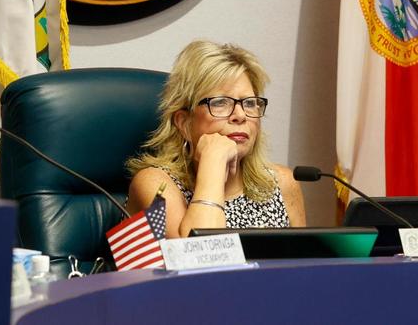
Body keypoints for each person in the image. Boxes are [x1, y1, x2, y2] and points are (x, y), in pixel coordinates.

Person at [126, 40, 305, 238]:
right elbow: (200, 260)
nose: (241, 114)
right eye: (220, 102)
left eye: (250, 103)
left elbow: (306, 267)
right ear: (184, 123)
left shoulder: (282, 182)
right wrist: (213, 165)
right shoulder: (155, 185)